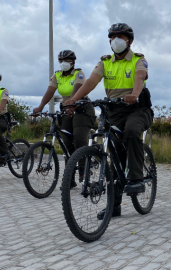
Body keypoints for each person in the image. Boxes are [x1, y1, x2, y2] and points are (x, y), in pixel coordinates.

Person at [64, 23, 153, 219]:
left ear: (129, 41)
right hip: (114, 112)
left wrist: (134, 94)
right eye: (113, 38)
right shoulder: (105, 63)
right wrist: (74, 99)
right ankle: (114, 206)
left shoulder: (139, 60)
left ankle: (137, 177)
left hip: (138, 109)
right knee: (115, 154)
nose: (116, 41)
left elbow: (140, 77)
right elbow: (91, 82)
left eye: (121, 37)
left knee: (131, 132)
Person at [32, 50, 95, 186]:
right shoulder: (57, 75)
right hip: (67, 110)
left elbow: (77, 90)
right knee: (66, 143)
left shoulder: (78, 74)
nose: (63, 63)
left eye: (66, 60)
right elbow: (49, 92)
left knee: (78, 139)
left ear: (73, 62)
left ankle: (85, 174)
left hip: (81, 109)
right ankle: (69, 178)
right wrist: (40, 107)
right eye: (61, 60)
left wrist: (71, 103)